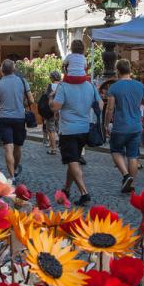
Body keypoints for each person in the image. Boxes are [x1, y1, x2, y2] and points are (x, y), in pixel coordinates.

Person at [50, 77, 100, 206]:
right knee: (74, 160)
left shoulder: (63, 86)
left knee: (72, 160)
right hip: (84, 128)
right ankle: (66, 189)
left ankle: (84, 193)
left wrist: (50, 98)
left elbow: (55, 107)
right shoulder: (90, 85)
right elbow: (100, 104)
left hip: (68, 130)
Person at [105, 59, 144, 194]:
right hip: (136, 126)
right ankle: (131, 184)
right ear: (130, 70)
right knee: (133, 156)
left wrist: (106, 124)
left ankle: (126, 176)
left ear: (118, 71)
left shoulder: (114, 87)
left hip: (120, 126)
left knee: (115, 150)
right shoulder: (140, 86)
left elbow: (110, 109)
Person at [0, 59, 32, 179]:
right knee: (18, 146)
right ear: (14, 69)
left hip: (4, 118)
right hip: (19, 118)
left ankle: (12, 176)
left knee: (8, 148)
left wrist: (2, 106)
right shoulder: (22, 81)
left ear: (2, 71)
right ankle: (16, 167)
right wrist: (20, 104)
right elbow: (31, 100)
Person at [41, 71, 61, 156]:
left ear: (52, 78)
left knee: (51, 130)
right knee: (59, 129)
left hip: (51, 110)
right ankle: (62, 145)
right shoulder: (62, 86)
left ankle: (53, 148)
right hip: (61, 110)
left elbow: (46, 97)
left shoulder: (50, 86)